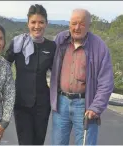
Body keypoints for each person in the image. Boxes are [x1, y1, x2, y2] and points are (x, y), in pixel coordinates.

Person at [50, 9, 114, 145]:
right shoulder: (60, 41)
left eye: (82, 24)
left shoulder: (99, 47)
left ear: (89, 25)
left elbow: (106, 82)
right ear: (69, 24)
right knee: (57, 143)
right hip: (61, 104)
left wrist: (96, 107)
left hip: (85, 106)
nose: (77, 27)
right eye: (74, 23)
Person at [5, 4, 56, 145]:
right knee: (25, 142)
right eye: (33, 22)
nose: (37, 26)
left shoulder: (52, 47)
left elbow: (59, 73)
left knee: (38, 142)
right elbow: (2, 65)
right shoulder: (17, 43)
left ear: (46, 23)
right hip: (21, 102)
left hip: (42, 104)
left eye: (41, 22)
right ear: (28, 23)